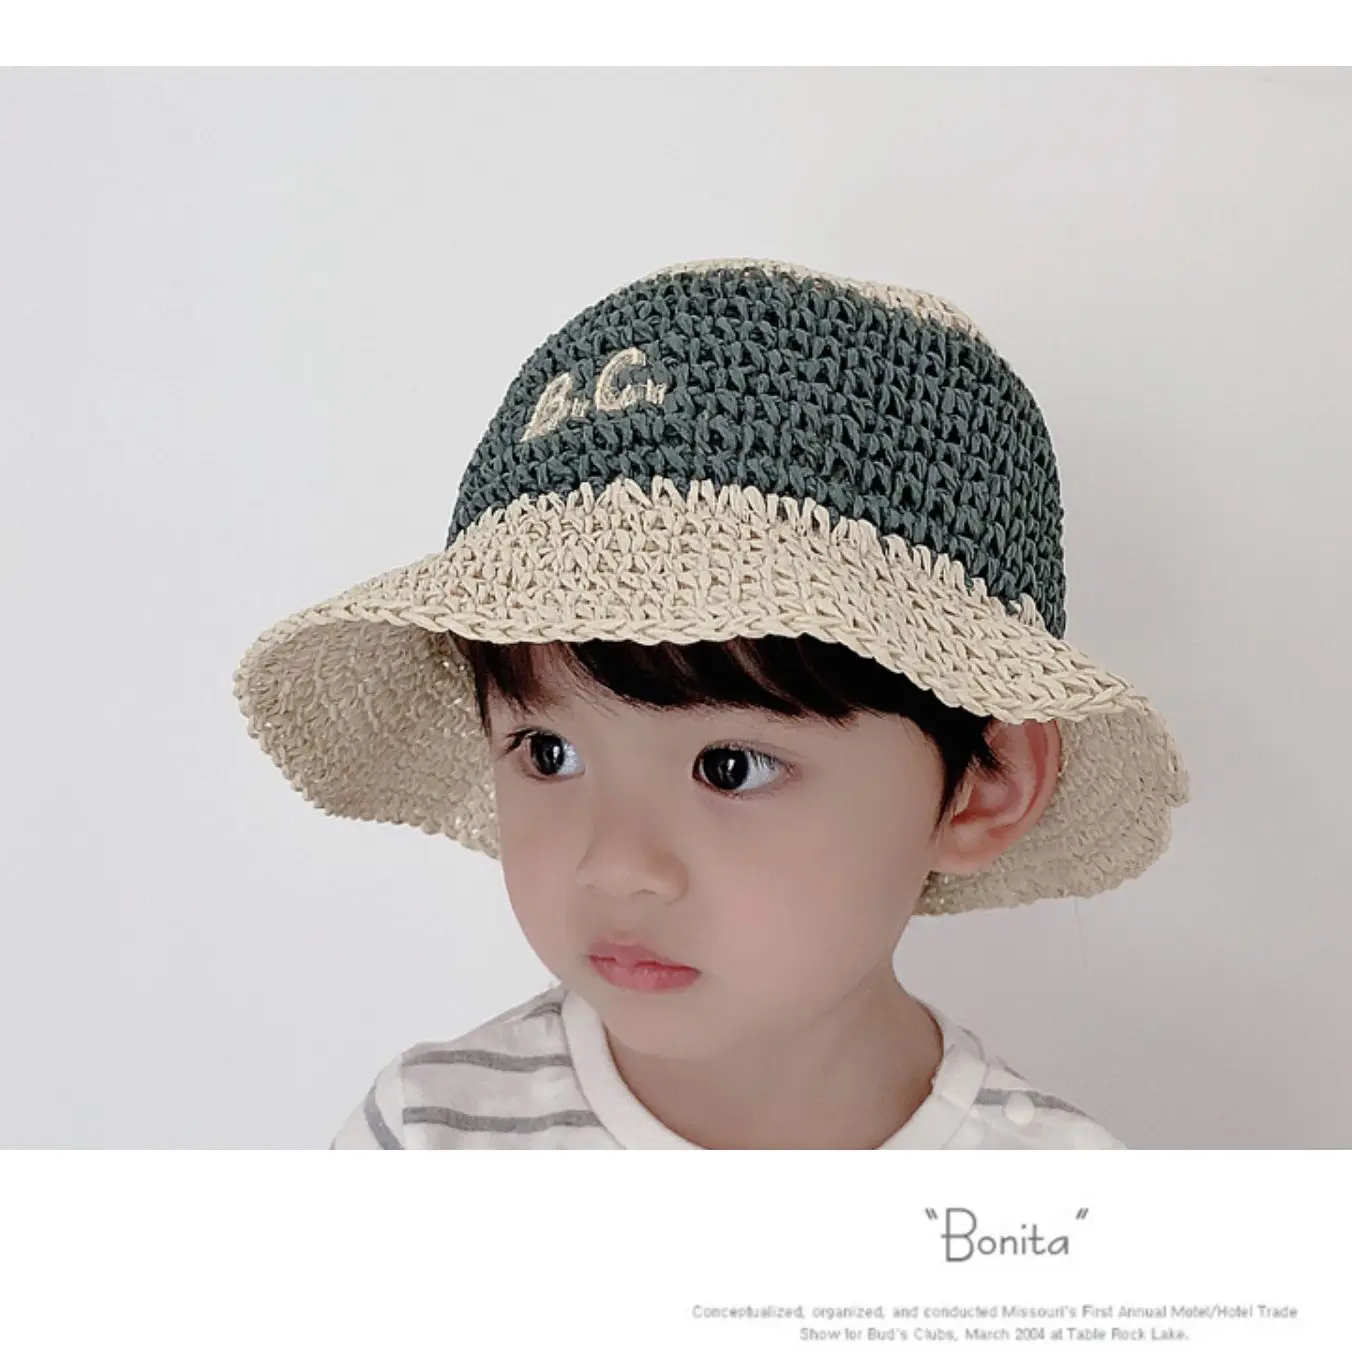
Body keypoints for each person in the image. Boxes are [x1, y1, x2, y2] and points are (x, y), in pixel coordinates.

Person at [232, 257, 1190, 1149]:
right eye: (548, 752)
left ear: (984, 785)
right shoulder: (431, 1139)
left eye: (730, 767)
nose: (618, 867)